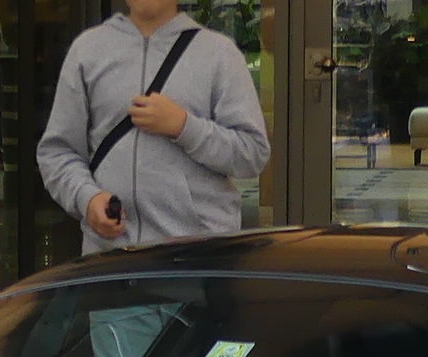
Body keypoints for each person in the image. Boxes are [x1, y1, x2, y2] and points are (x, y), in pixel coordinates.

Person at [36, 0, 269, 254]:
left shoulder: (219, 54)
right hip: (109, 258)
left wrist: (183, 126)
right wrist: (86, 198)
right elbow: (57, 152)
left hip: (196, 258)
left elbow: (252, 153)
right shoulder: (87, 51)